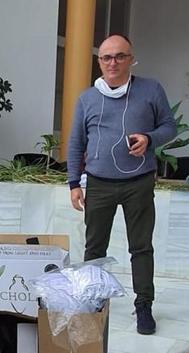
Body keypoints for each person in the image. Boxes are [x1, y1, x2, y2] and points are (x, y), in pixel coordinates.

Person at [67, 34, 176, 335]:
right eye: (106, 57)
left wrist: (150, 138)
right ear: (99, 61)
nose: (112, 62)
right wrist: (74, 183)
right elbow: (76, 142)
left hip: (138, 182)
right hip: (99, 183)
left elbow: (170, 126)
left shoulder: (151, 90)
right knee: (94, 248)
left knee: (141, 247)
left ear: (131, 59)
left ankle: (144, 306)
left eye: (119, 56)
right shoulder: (87, 98)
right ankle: (93, 301)